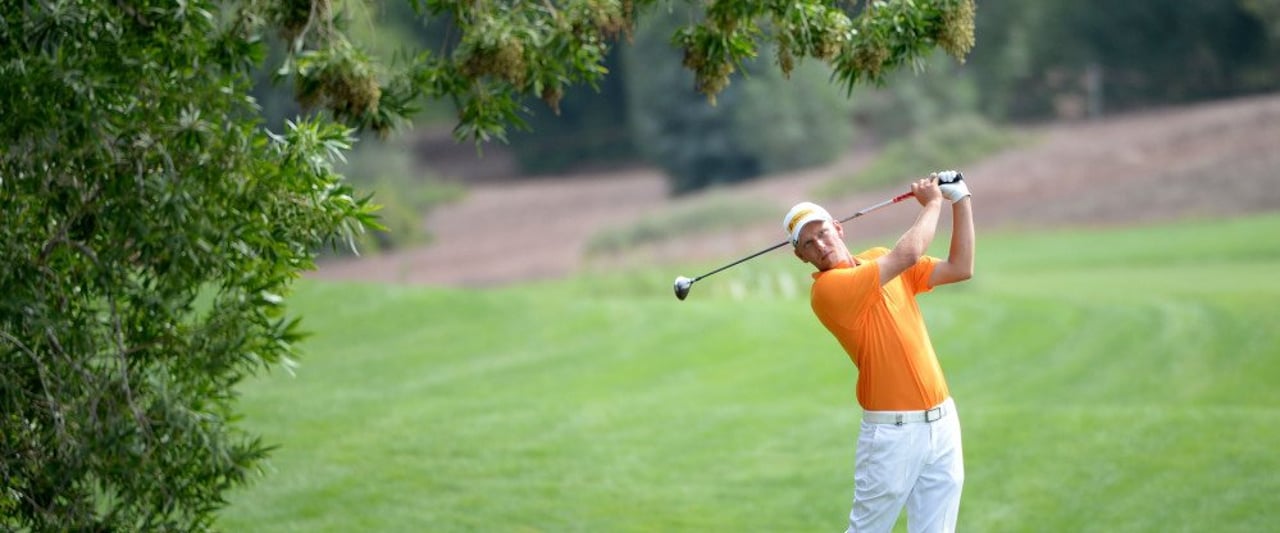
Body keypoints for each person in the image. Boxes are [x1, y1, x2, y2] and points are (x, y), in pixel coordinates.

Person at [783, 172, 974, 533]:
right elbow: (909, 253)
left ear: (838, 228)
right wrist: (934, 202)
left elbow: (961, 267)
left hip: (943, 422)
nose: (820, 245)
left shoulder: (877, 259)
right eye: (808, 243)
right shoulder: (829, 290)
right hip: (893, 436)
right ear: (800, 256)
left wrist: (961, 199)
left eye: (822, 232)